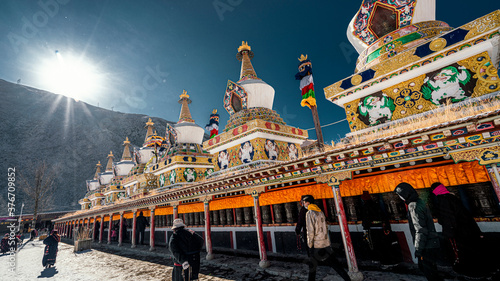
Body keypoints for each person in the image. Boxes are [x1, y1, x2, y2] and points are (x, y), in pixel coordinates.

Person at [430, 182, 485, 277]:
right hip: (467, 230)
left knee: (459, 253)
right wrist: (477, 231)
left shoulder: (443, 200)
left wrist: (448, 233)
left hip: (456, 233)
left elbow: (448, 218)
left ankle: (465, 270)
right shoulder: (453, 198)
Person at [395, 183, 443, 281]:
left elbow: (420, 230)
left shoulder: (413, 206)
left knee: (430, 273)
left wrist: (418, 249)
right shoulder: (420, 202)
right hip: (431, 242)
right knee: (431, 271)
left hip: (426, 245)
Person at [302, 195, 351, 281]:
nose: (304, 204)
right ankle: (347, 278)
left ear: (308, 203)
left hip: (317, 245)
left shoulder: (310, 213)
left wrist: (310, 245)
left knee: (312, 266)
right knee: (334, 264)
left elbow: (310, 231)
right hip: (325, 243)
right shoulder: (320, 212)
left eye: (304, 202)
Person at [360, 191, 402, 267]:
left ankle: (385, 262)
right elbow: (383, 215)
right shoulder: (376, 205)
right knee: (385, 245)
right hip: (381, 227)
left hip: (373, 229)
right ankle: (390, 261)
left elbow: (365, 219)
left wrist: (365, 227)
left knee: (378, 246)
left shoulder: (365, 207)